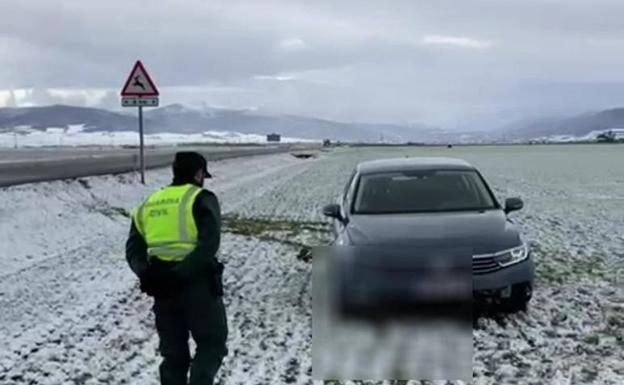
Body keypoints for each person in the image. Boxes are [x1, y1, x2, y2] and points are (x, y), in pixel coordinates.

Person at [126, 151, 227, 385]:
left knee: (173, 355)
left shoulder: (148, 203)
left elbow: (133, 249)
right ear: (198, 173)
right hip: (197, 286)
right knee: (212, 344)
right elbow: (208, 244)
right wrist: (179, 275)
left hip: (162, 290)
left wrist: (147, 275)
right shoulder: (201, 198)